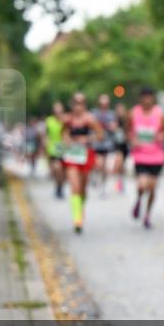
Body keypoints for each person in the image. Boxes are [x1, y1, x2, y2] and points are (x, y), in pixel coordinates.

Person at [61, 93, 104, 233]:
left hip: (85, 155)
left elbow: (100, 135)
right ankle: (77, 219)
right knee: (75, 186)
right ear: (72, 104)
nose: (78, 106)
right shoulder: (67, 119)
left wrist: (87, 138)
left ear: (84, 105)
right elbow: (63, 134)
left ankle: (81, 208)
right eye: (76, 103)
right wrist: (68, 140)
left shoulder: (89, 119)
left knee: (83, 188)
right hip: (72, 156)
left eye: (81, 103)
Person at [129, 87, 164, 229]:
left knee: (152, 188)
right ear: (140, 99)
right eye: (144, 97)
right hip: (140, 155)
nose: (147, 100)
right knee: (142, 185)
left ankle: (147, 215)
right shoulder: (133, 113)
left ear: (153, 98)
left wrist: (161, 136)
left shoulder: (160, 114)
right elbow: (128, 131)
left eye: (149, 97)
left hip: (157, 156)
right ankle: (139, 199)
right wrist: (132, 140)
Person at [91, 94, 117, 195]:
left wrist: (110, 126)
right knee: (98, 163)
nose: (104, 105)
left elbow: (114, 126)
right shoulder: (94, 113)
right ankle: (95, 176)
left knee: (106, 166)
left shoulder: (111, 114)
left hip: (107, 142)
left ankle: (103, 184)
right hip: (97, 142)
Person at [44, 102, 67, 199]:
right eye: (56, 111)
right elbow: (46, 134)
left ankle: (60, 187)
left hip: (64, 147)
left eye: (60, 111)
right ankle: (58, 186)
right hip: (53, 147)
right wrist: (45, 144)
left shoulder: (66, 120)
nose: (58, 113)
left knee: (63, 171)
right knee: (56, 169)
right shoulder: (49, 121)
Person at [111, 102, 130, 193]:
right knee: (119, 160)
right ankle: (118, 179)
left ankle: (121, 180)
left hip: (124, 144)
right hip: (117, 144)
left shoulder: (127, 120)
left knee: (123, 164)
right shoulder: (114, 120)